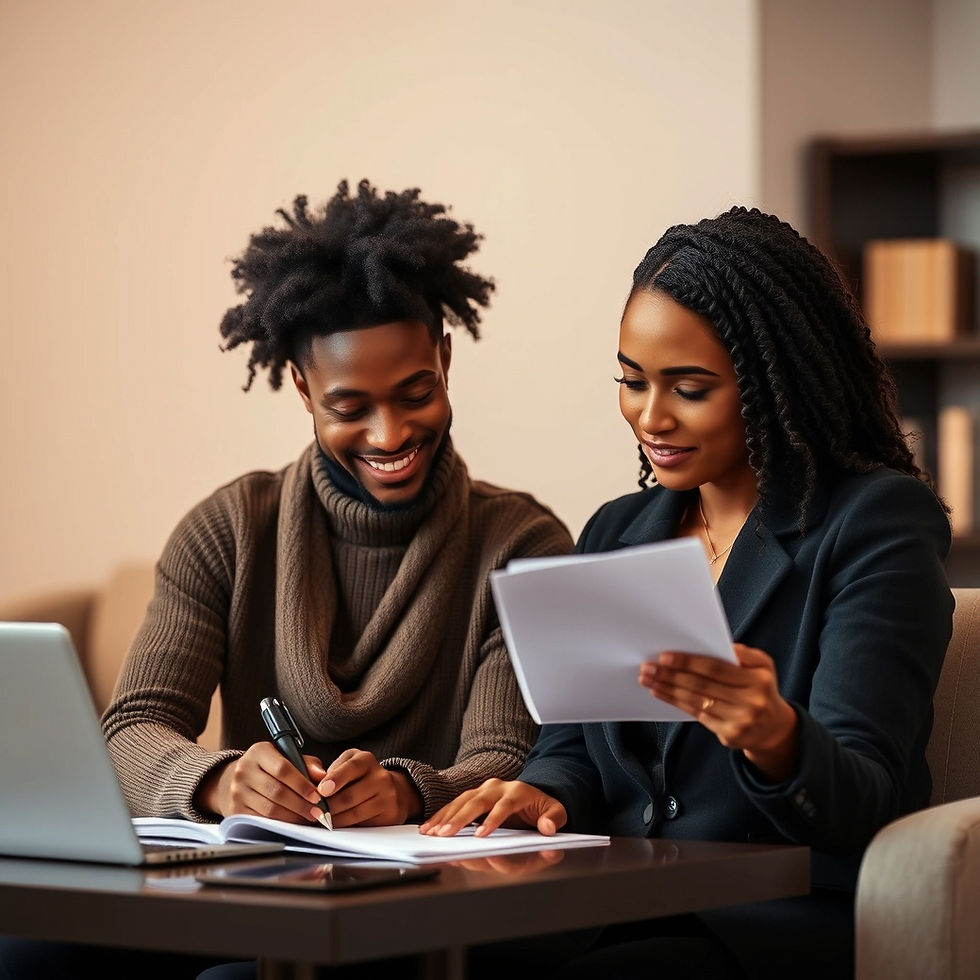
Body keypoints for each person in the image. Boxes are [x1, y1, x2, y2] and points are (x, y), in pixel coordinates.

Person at [0, 179, 573, 980]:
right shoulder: (229, 528)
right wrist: (220, 782)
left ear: (445, 357)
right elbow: (130, 732)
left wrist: (410, 791)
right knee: (25, 955)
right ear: (302, 388)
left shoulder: (524, 544)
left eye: (416, 393)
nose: (390, 434)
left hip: (426, 907)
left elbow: (506, 756)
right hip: (248, 892)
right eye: (351, 406)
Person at [420, 206, 954, 980]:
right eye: (631, 381)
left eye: (690, 388)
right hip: (609, 910)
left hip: (771, 927)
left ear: (777, 383)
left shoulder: (874, 524)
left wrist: (774, 736)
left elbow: (864, 803)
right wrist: (541, 794)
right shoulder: (616, 530)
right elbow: (571, 749)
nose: (650, 415)